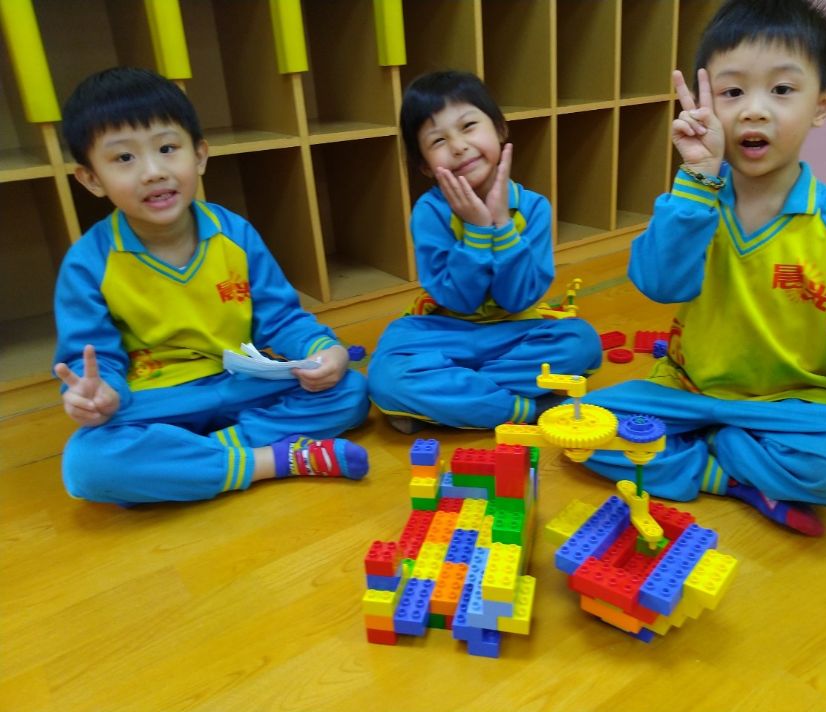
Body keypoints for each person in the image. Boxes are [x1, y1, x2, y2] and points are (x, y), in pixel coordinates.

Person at [581, 0, 826, 535]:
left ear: (822, 104)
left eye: (781, 89)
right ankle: (731, 475)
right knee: (583, 428)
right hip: (687, 391)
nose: (754, 110)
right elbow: (659, 284)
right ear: (706, 104)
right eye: (732, 92)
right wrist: (697, 180)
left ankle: (714, 452)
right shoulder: (694, 200)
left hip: (793, 407)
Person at [53, 67, 370, 506]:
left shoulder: (234, 234)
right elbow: (92, 359)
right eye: (124, 158)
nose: (153, 172)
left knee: (350, 392)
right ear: (91, 179)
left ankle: (193, 460)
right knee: (87, 465)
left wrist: (323, 349)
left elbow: (281, 318)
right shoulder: (88, 263)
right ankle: (273, 459)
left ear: (199, 155)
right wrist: (97, 395)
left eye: (167, 148)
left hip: (241, 383)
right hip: (157, 400)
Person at [368, 70, 602, 433]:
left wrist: (503, 226)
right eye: (438, 140)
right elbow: (459, 300)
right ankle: (525, 407)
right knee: (386, 374)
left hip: (514, 329)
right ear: (425, 166)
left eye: (468, 126)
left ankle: (454, 398)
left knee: (581, 343)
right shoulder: (429, 213)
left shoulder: (533, 208)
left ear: (500, 129)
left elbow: (517, 298)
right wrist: (476, 231)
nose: (458, 146)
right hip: (444, 328)